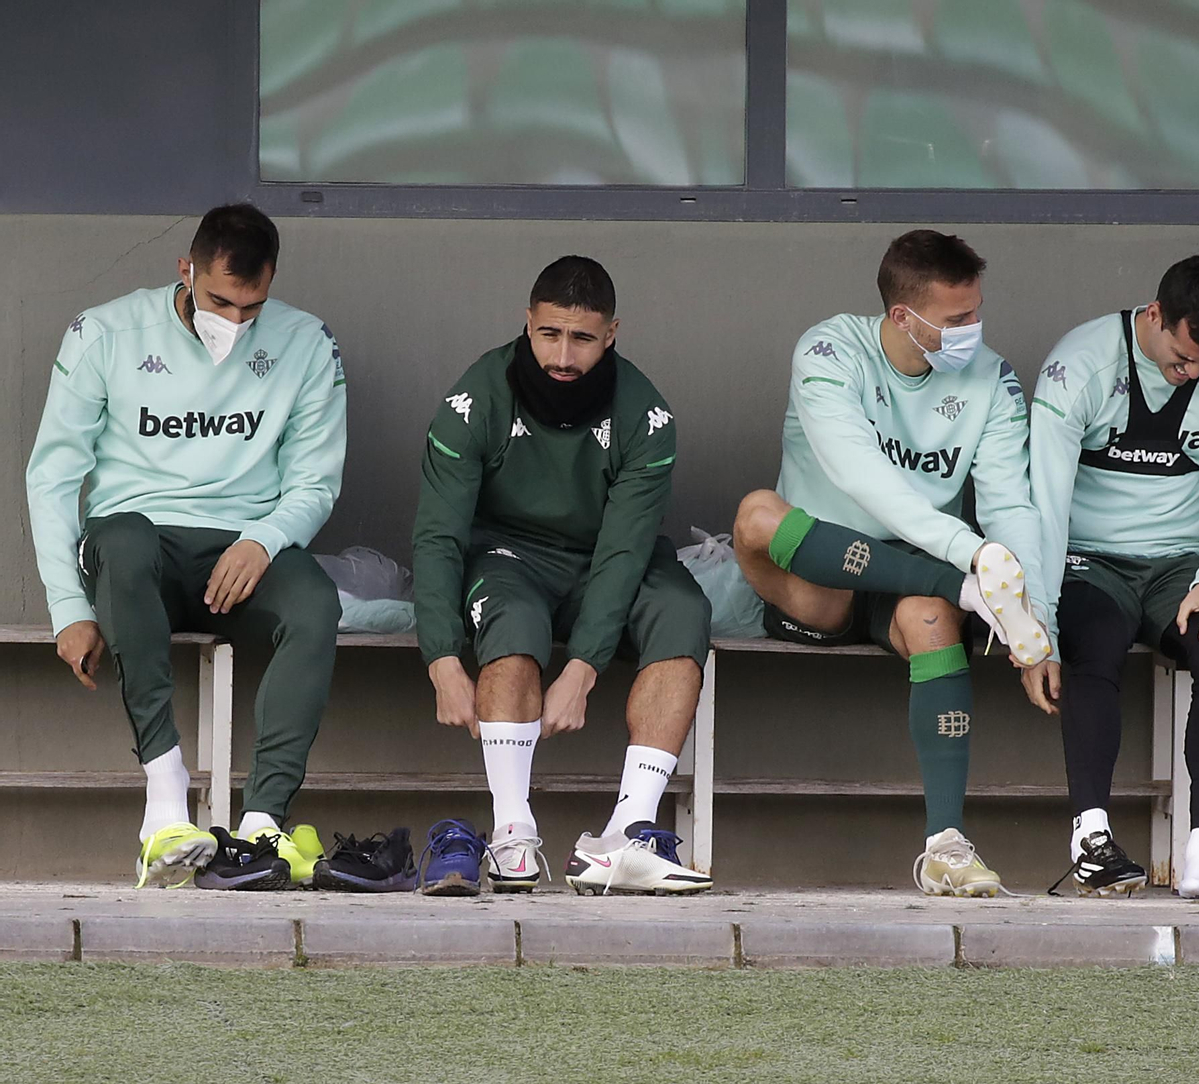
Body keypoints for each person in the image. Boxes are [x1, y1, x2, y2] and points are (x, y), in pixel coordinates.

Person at [25, 204, 347, 890]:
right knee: (127, 541)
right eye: (218, 300)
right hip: (135, 549)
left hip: (243, 550)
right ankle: (166, 803)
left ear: (272, 284)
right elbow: (52, 474)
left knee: (316, 601)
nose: (232, 321)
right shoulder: (105, 331)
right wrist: (65, 608)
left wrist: (263, 540)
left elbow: (315, 481)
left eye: (250, 305)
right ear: (185, 270)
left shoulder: (307, 342)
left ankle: (262, 824)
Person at [732, 229, 1050, 898]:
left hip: (916, 572)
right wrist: (972, 566)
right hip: (821, 574)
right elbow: (860, 476)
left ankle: (946, 846)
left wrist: (1033, 618)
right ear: (904, 317)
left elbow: (1011, 504)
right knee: (757, 514)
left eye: (977, 312)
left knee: (934, 620)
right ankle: (961, 592)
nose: (974, 330)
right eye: (958, 319)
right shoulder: (828, 350)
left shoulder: (991, 377)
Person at [413, 255, 713, 897]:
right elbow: (438, 533)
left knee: (684, 611)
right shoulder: (476, 398)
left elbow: (624, 552)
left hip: (605, 556)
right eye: (550, 333)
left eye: (582, 337)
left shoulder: (645, 412)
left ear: (611, 333)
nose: (564, 355)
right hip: (510, 554)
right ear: (527, 323)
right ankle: (512, 834)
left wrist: (582, 669)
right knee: (513, 622)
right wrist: (441, 656)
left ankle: (628, 834)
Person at [1030, 255, 1199, 899]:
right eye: (1181, 356)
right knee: (1091, 646)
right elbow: (1046, 503)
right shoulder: (1080, 363)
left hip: (1186, 565)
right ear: (1154, 315)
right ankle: (1091, 840)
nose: (1192, 373)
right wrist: (1040, 625)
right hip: (1089, 557)